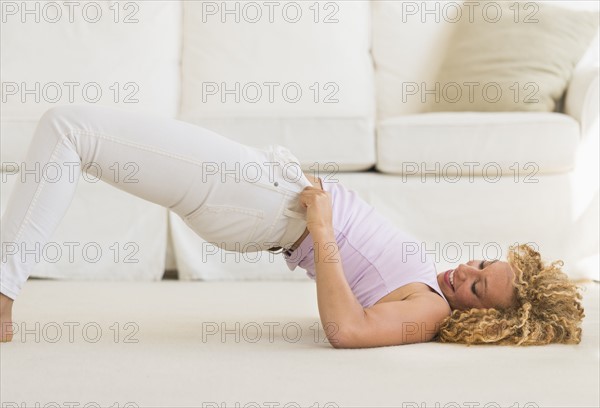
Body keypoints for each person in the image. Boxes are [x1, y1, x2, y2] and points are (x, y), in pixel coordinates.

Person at [0, 105, 585, 347]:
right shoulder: (432, 288)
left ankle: (2, 296)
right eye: (481, 263)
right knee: (76, 133)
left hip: (258, 203)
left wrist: (323, 225)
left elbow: (349, 331)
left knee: (69, 129)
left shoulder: (429, 311)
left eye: (479, 287)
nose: (467, 271)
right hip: (263, 190)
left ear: (484, 319)